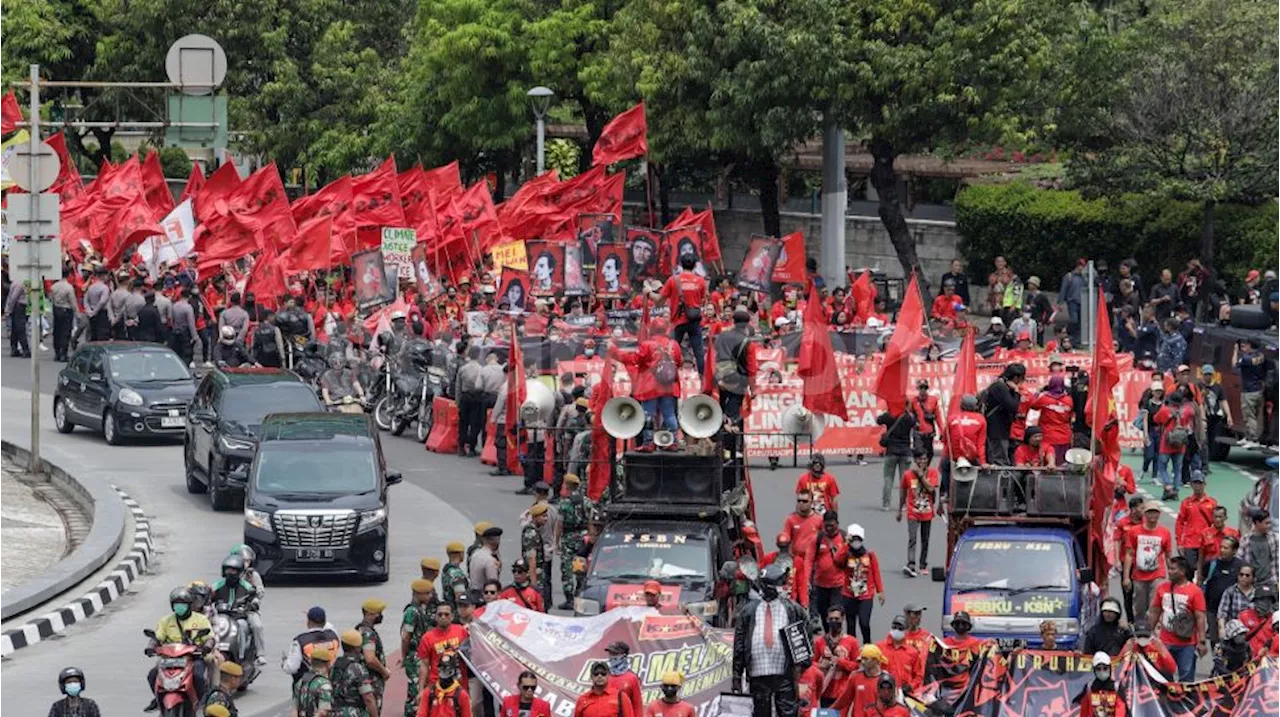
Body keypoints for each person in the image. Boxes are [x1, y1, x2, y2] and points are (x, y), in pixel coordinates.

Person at [732, 562, 810, 717]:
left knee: (787, 712)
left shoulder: (793, 610)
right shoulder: (748, 611)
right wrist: (736, 676)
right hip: (757, 673)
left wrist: (802, 671)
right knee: (760, 712)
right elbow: (739, 645)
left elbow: (804, 639)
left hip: (785, 673)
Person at [145, 587, 214, 711]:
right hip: (170, 658)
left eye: (182, 604)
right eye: (177, 605)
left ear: (189, 605)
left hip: (193, 657)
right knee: (152, 674)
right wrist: (151, 647)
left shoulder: (200, 619)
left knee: (198, 675)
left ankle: (204, 700)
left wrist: (206, 647)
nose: (179, 607)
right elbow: (157, 637)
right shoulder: (166, 621)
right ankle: (157, 698)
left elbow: (209, 637)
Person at [1149, 556, 1208, 681]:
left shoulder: (1195, 591)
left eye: (1172, 569)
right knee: (1163, 675)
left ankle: (1185, 700)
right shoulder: (1162, 588)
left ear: (1182, 571)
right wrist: (1148, 633)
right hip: (1165, 642)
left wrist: (1202, 641)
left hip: (1187, 644)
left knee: (1186, 676)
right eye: (1169, 569)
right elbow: (1155, 611)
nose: (1169, 572)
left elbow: (1200, 617)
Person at [1124, 501, 1174, 628]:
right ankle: (1140, 630)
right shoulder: (1134, 531)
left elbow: (1168, 555)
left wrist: (1172, 576)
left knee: (1155, 605)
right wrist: (1126, 577)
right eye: (1150, 512)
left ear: (1159, 514)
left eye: (1155, 512)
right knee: (1140, 606)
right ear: (1144, 514)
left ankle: (1154, 631)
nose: (1152, 515)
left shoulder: (1165, 532)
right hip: (1139, 575)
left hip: (1158, 574)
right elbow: (1129, 554)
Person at [661, 254, 708, 375]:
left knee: (670, 351)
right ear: (694, 266)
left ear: (681, 265)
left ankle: (668, 377)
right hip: (694, 320)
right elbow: (702, 299)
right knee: (699, 353)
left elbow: (659, 299)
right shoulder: (701, 281)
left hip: (677, 321)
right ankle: (702, 380)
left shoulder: (673, 280)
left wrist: (649, 292)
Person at [897, 450, 938, 578]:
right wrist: (899, 510)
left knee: (925, 539)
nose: (922, 462)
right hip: (912, 511)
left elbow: (931, 488)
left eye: (925, 459)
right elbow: (903, 493)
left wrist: (920, 475)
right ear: (915, 460)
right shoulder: (907, 475)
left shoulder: (932, 473)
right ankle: (911, 564)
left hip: (927, 511)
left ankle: (923, 564)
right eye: (920, 459)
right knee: (912, 538)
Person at [842, 523, 884, 645]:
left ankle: (867, 645)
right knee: (850, 625)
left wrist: (880, 591)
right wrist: (845, 545)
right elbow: (837, 560)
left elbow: (876, 573)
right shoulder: (846, 554)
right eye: (853, 539)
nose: (856, 542)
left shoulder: (869, 555)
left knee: (864, 622)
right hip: (849, 595)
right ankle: (852, 649)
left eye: (858, 539)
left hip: (866, 595)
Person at [782, 493, 823, 609]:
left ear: (811, 503)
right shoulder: (791, 519)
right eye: (799, 501)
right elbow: (786, 539)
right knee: (795, 588)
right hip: (796, 562)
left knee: (813, 589)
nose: (801, 503)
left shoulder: (818, 519)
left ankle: (814, 617)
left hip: (814, 561)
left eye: (805, 501)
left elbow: (824, 539)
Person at [416, 602, 468, 691]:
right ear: (435, 617)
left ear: (452, 616)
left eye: (446, 614)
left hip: (460, 685)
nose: (443, 617)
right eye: (440, 614)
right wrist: (421, 690)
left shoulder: (461, 631)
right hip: (437, 686)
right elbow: (424, 665)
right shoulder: (427, 637)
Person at [1176, 471, 1216, 579]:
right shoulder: (1186, 503)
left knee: (1206, 571)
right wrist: (1179, 542)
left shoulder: (1211, 503)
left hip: (1206, 542)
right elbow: (1180, 522)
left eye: (1200, 483)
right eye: (1195, 483)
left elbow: (1216, 524)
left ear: (1204, 484)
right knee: (1189, 569)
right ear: (1191, 485)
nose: (1197, 486)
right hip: (1190, 542)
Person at [283, 606, 340, 683]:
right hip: (331, 682)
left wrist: (284, 662)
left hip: (309, 686)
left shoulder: (300, 641)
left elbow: (291, 668)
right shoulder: (333, 636)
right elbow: (329, 626)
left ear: (308, 622)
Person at [830, 645, 890, 717]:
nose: (863, 662)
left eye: (866, 659)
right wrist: (827, 712)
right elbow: (843, 700)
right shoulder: (855, 676)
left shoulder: (886, 679)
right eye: (862, 659)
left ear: (875, 660)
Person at [331, 629, 379, 717]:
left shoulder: (335, 665)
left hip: (334, 711)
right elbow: (368, 697)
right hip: (353, 712)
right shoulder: (358, 669)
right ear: (357, 648)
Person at [984, 364, 1025, 465]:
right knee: (999, 460)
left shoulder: (1003, 386)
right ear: (1016, 377)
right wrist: (1016, 392)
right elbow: (1012, 406)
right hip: (996, 430)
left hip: (1003, 429)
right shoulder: (999, 387)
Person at [876, 407, 916, 511]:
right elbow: (915, 424)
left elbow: (878, 420)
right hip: (905, 451)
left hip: (891, 451)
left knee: (888, 478)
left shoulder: (889, 415)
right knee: (905, 480)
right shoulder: (908, 417)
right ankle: (903, 504)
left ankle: (886, 504)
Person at [355, 599, 392, 711]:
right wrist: (384, 671)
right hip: (371, 681)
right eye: (378, 613)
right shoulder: (367, 633)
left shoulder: (358, 629)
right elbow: (370, 658)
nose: (380, 616)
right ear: (369, 614)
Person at [810, 511, 848, 619]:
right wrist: (807, 580)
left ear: (837, 524)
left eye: (832, 525)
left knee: (835, 612)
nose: (829, 528)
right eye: (826, 526)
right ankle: (827, 633)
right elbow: (809, 560)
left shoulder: (844, 538)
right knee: (823, 612)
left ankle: (836, 631)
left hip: (838, 584)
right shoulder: (817, 538)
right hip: (820, 584)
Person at [876, 615, 922, 693]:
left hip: (904, 694)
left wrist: (910, 687)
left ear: (907, 631)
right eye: (894, 627)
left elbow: (918, 676)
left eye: (900, 628)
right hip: (881, 691)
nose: (896, 630)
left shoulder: (913, 652)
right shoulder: (879, 648)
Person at [417, 652, 471, 717]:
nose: (444, 672)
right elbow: (421, 715)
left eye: (447, 669)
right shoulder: (429, 693)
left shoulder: (462, 695)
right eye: (442, 668)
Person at [1075, 653, 1126, 717]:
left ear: (1110, 668)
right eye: (1098, 669)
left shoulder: (1117, 687)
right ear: (1094, 670)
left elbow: (1121, 711)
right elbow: (1084, 712)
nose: (1102, 671)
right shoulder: (1089, 688)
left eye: (1105, 668)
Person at [1240, 509, 1280, 589]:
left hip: (1272, 582)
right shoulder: (1246, 540)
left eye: (1269, 523)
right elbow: (1239, 560)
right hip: (1252, 584)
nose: (1269, 526)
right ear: (1257, 523)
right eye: (1266, 523)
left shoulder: (1275, 539)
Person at [290, 646, 335, 717]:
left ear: (311, 662)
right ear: (328, 664)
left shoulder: (301, 682)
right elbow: (323, 712)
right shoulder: (324, 685)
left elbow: (294, 710)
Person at [1217, 563, 1256, 637]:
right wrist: (1222, 629)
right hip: (1234, 633)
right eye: (1241, 574)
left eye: (1247, 575)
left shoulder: (1257, 594)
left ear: (1253, 578)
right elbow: (1222, 613)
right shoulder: (1230, 592)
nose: (1244, 577)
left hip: (1253, 632)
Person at [908, 381, 940, 461]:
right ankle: (920, 471)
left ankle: (925, 471)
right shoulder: (913, 401)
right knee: (919, 453)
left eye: (925, 388)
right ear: (918, 389)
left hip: (929, 432)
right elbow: (908, 416)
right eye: (921, 388)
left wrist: (942, 432)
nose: (923, 390)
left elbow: (938, 417)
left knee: (929, 454)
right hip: (918, 432)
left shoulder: (933, 400)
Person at [50, 268, 77, 362]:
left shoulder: (54, 286)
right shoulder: (69, 287)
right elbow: (72, 301)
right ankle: (63, 354)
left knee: (57, 331)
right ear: (68, 275)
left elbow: (51, 298)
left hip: (57, 309)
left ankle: (57, 353)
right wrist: (76, 311)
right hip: (67, 310)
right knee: (65, 332)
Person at [468, 526, 502, 592]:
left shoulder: (475, 555)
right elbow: (493, 584)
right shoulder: (490, 560)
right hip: (484, 596)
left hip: (473, 593)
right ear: (496, 541)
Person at [6, 278, 31, 357]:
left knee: (15, 329)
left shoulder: (14, 283)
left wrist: (9, 309)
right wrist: (10, 309)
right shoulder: (19, 284)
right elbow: (14, 297)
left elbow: (10, 297)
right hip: (19, 306)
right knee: (20, 329)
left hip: (16, 307)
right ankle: (25, 349)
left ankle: (14, 348)